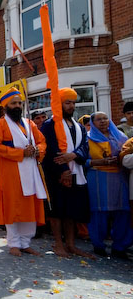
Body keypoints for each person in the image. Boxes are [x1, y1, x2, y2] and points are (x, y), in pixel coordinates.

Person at [0, 87, 47, 256]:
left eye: (19, 103)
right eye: (13, 103)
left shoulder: (30, 124)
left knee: (29, 205)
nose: (17, 106)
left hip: (30, 170)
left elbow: (42, 142)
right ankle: (14, 243)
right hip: (11, 171)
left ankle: (25, 242)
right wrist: (20, 153)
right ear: (5, 106)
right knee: (12, 205)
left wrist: (37, 150)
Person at [41, 88, 93, 258]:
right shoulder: (50, 125)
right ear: (59, 104)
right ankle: (58, 244)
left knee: (71, 211)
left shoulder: (79, 126)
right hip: (56, 175)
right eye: (67, 103)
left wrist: (74, 155)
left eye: (73, 103)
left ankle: (71, 244)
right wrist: (63, 171)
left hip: (76, 172)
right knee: (57, 210)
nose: (71, 106)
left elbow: (85, 147)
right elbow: (51, 151)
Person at [75, 112, 133, 258]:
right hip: (98, 177)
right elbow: (81, 161)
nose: (103, 122)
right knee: (98, 212)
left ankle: (119, 246)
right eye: (98, 119)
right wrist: (99, 162)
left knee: (123, 212)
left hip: (120, 177)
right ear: (93, 123)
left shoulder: (121, 137)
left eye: (105, 119)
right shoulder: (86, 139)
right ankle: (98, 244)